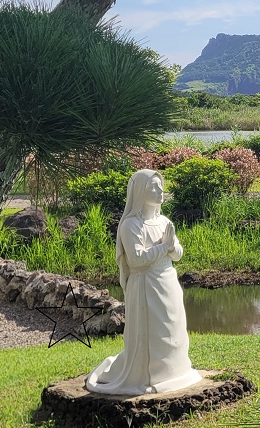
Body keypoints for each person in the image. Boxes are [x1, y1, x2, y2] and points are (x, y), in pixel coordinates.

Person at [85, 169, 202, 395]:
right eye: (153, 187)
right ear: (139, 191)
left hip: (168, 283)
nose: (160, 191)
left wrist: (171, 247)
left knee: (173, 329)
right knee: (153, 333)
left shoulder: (164, 221)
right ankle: (151, 374)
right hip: (146, 285)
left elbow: (177, 253)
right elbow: (137, 260)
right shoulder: (130, 225)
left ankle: (174, 370)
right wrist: (163, 247)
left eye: (160, 186)